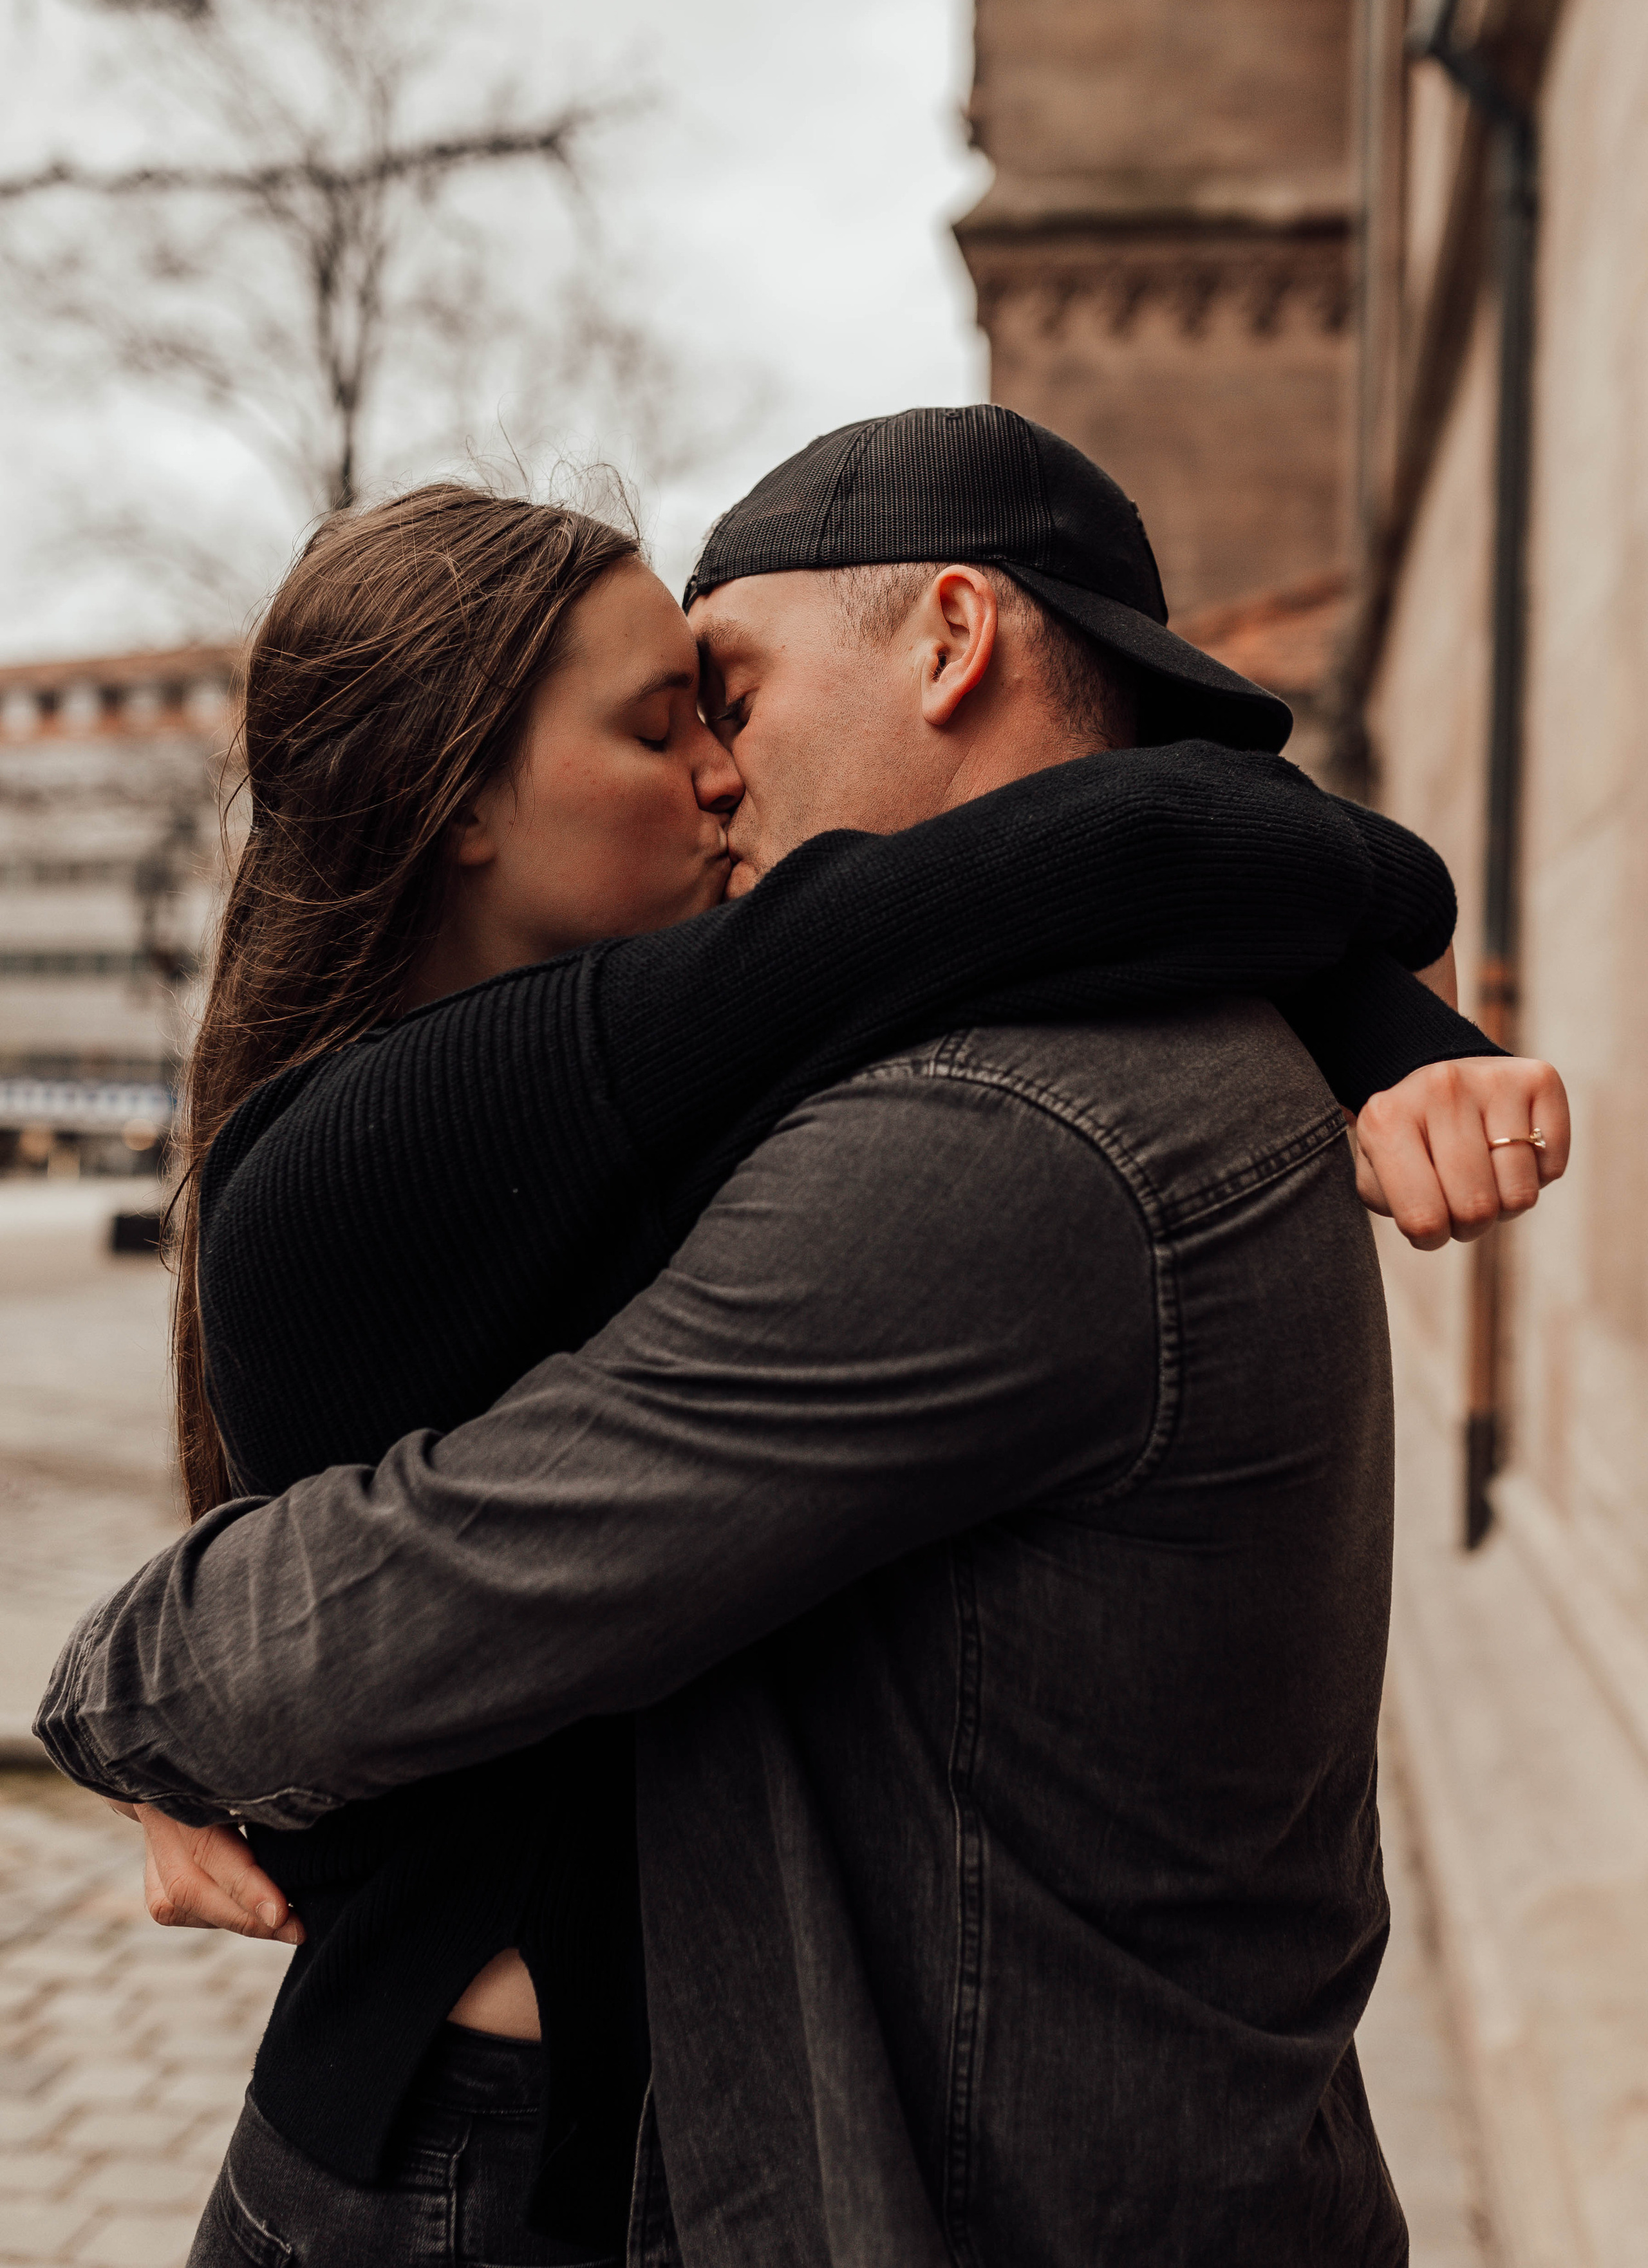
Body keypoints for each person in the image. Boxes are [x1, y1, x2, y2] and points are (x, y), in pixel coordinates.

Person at [39, 409, 1566, 2268]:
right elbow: (1073, 870)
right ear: (456, 799)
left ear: (949, 634)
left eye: (729, 693)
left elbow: (403, 1602)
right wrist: (1355, 975)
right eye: (666, 717)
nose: (715, 767)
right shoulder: (567, 1101)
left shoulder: (1002, 1129)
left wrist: (137, 1690)